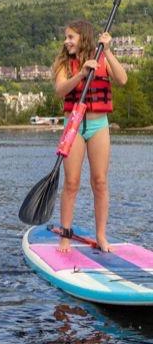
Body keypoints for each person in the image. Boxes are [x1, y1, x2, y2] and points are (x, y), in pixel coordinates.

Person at [53, 20, 126, 253]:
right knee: (72, 182)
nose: (67, 41)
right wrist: (81, 75)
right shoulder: (65, 63)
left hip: (98, 126)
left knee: (100, 182)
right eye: (66, 37)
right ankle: (65, 235)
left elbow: (122, 79)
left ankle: (101, 236)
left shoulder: (102, 57)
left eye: (71, 37)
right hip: (73, 125)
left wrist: (108, 50)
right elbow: (60, 90)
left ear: (83, 38)